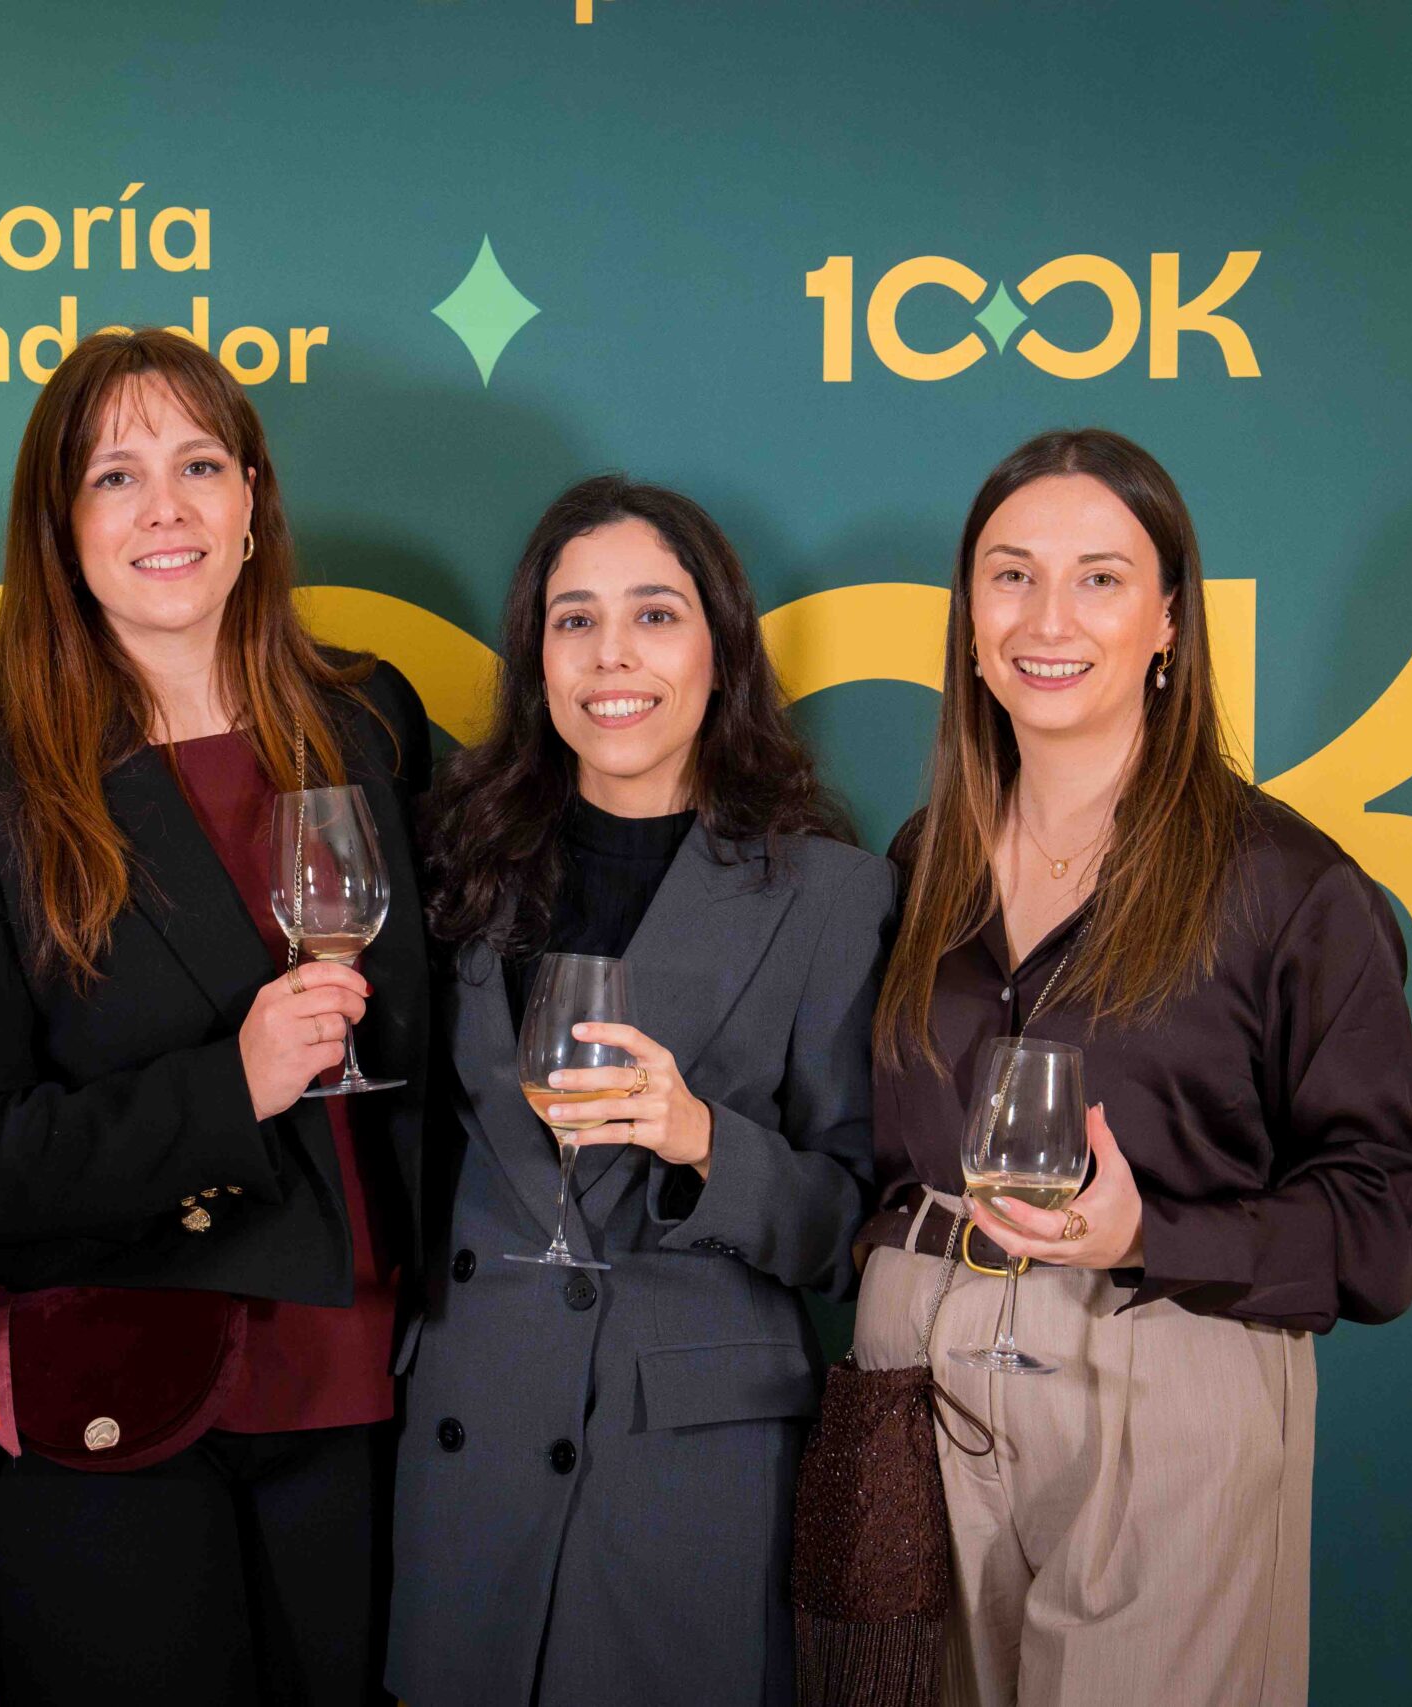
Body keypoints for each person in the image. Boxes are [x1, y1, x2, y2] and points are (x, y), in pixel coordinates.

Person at [846, 428, 1412, 1707]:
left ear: (1169, 619)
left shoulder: (1286, 884)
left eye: (1100, 579)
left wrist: (1145, 1233)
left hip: (1162, 1369)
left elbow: (1384, 1221)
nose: (1046, 619)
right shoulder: (917, 859)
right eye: (1011, 576)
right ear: (967, 619)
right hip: (920, 1386)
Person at [0, 327, 431, 1707]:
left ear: (254, 501)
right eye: (114, 476)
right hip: (112, 1403)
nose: (166, 508)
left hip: (367, 1383)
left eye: (200, 464)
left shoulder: (366, 720)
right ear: (58, 528)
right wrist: (228, 1085)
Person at [387, 475, 895, 1707]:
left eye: (655, 615)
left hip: (683, 1479)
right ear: (536, 657)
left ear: (721, 651)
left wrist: (702, 1138)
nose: (611, 655)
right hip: (468, 1444)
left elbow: (853, 1233)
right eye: (574, 619)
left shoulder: (830, 896)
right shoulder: (452, 859)